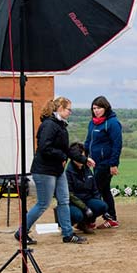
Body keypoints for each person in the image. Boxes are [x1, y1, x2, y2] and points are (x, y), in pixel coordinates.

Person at [17, 96, 94, 245]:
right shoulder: (49, 125)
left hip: (57, 170)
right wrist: (62, 156)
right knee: (43, 203)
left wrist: (85, 160)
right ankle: (21, 232)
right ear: (60, 108)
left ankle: (68, 234)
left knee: (64, 200)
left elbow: (67, 150)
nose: (70, 112)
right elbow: (45, 148)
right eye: (68, 109)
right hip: (44, 171)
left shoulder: (60, 125)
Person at [84, 95, 122, 229]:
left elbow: (117, 144)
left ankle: (90, 220)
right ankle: (112, 218)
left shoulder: (112, 123)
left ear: (105, 108)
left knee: (96, 191)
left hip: (106, 163)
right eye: (94, 108)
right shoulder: (92, 123)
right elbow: (88, 141)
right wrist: (84, 157)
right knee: (104, 190)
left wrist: (113, 164)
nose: (96, 110)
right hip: (94, 162)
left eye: (99, 108)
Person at [65, 142, 109, 234]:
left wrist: (98, 202)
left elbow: (95, 189)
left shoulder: (87, 169)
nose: (82, 160)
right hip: (74, 203)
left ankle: (87, 222)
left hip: (87, 199)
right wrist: (85, 208)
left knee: (102, 206)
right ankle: (74, 222)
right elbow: (70, 195)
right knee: (78, 215)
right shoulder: (68, 172)